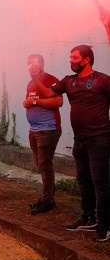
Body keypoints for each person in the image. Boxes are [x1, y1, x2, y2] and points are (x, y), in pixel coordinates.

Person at [32, 45, 110, 242]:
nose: (71, 61)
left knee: (100, 182)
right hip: (80, 140)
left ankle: (105, 225)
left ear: (86, 60)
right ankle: (88, 217)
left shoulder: (102, 80)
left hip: (99, 139)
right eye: (70, 57)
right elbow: (48, 94)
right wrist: (35, 78)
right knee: (83, 180)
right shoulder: (69, 81)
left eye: (74, 58)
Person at [23, 54, 63, 215]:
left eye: (37, 63)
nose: (34, 66)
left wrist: (34, 101)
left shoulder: (51, 79)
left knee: (45, 165)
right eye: (30, 63)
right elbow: (30, 101)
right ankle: (47, 197)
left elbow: (58, 101)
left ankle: (48, 201)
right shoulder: (30, 83)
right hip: (34, 129)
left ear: (43, 64)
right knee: (41, 165)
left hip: (48, 129)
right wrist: (26, 103)